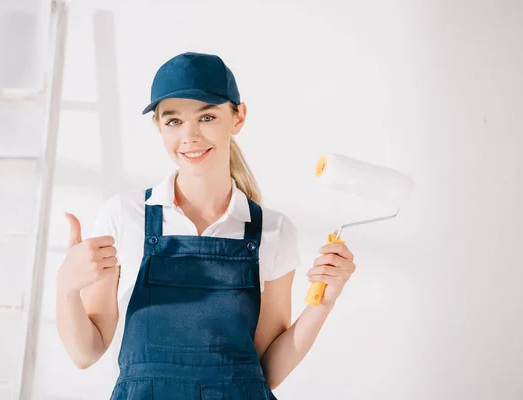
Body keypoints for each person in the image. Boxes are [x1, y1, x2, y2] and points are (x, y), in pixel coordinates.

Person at [56, 52, 356, 399]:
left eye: (207, 116)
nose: (190, 137)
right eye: (173, 121)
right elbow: (85, 352)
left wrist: (325, 300)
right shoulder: (124, 215)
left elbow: (267, 371)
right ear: (159, 127)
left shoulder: (272, 230)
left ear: (238, 117)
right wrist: (66, 288)